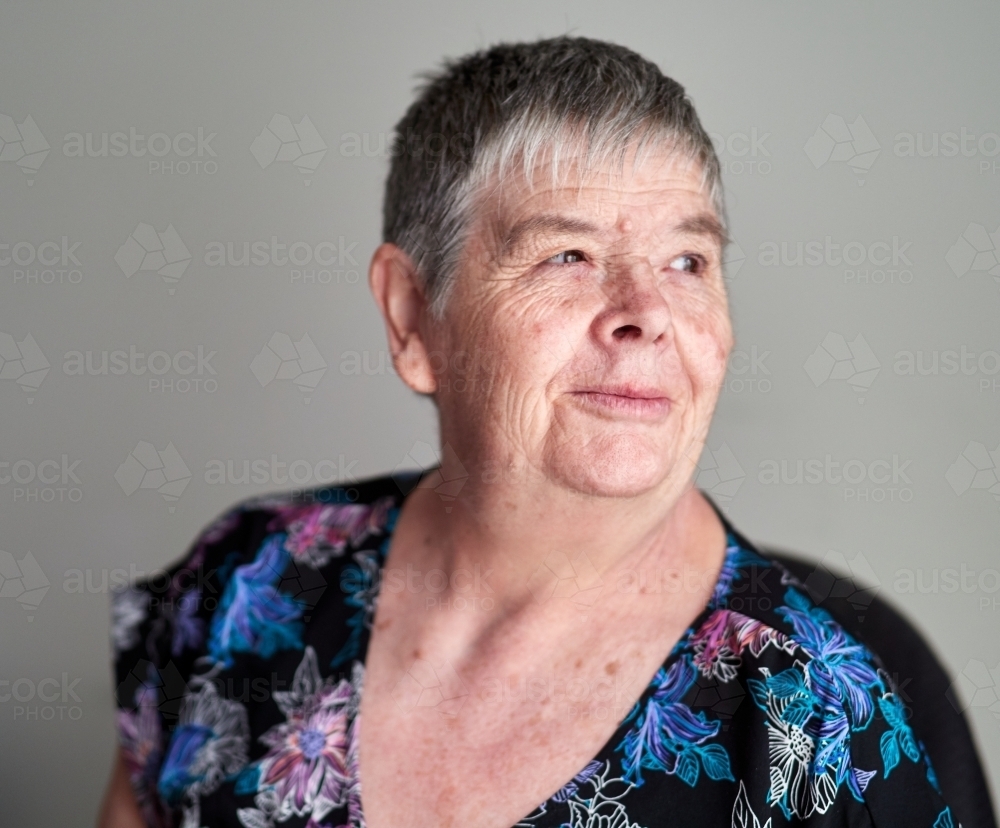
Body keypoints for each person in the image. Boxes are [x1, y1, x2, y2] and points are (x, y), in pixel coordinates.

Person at [98, 36, 993, 828]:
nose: (647, 313)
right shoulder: (239, 591)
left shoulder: (830, 731)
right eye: (567, 255)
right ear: (414, 316)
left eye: (689, 261)